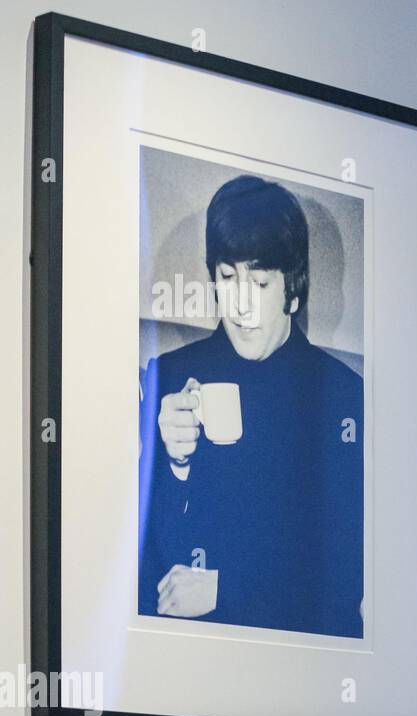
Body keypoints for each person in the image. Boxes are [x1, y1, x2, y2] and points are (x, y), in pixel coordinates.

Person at [138, 174, 364, 638]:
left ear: (293, 289)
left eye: (259, 283)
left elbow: (347, 576)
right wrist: (174, 463)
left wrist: (228, 590)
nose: (240, 305)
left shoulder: (345, 398)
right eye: (227, 277)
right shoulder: (171, 378)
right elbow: (143, 563)